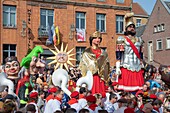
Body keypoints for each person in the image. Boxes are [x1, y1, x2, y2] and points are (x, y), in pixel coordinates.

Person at [115, 12, 144, 91]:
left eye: (133, 27)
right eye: (130, 27)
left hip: (137, 67)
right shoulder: (122, 40)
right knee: (126, 91)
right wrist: (117, 68)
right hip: (126, 67)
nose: (132, 28)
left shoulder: (140, 40)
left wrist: (142, 64)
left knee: (139, 91)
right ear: (126, 28)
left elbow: (141, 54)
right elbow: (118, 55)